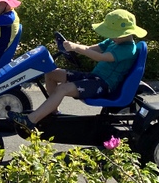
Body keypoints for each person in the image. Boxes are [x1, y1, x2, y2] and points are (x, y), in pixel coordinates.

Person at [8, 9, 147, 133]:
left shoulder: (128, 49)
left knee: (63, 89)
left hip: (103, 85)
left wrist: (77, 48)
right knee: (51, 73)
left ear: (123, 33)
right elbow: (92, 48)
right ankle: (53, 111)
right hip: (94, 78)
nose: (110, 36)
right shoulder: (114, 41)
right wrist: (72, 47)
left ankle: (30, 121)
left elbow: (101, 57)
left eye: (112, 33)